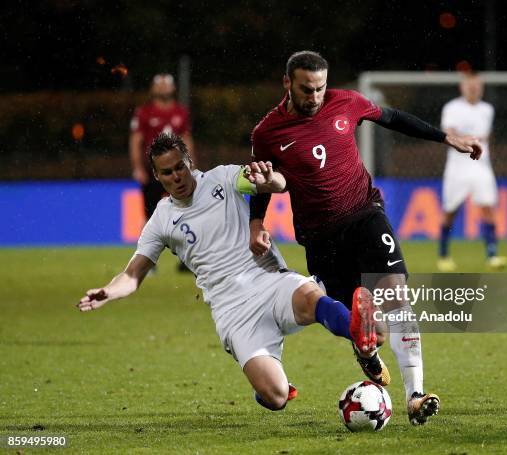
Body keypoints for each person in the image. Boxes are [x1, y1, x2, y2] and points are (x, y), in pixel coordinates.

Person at [248, 51, 482, 425]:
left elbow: (393, 119)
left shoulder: (346, 102)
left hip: (365, 214)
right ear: (287, 83)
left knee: (395, 295)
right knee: (374, 329)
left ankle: (415, 397)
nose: (314, 97)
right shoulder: (268, 133)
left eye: (320, 88)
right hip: (321, 238)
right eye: (307, 89)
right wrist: (256, 221)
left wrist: (445, 138)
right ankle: (367, 349)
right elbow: (263, 180)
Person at [78, 133, 385, 412]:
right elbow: (132, 276)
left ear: (189, 161)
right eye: (168, 172)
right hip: (232, 309)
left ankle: (364, 344)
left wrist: (270, 179)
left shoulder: (223, 178)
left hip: (267, 278)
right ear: (157, 176)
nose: (177, 176)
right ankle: (267, 389)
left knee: (309, 299)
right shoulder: (161, 220)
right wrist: (108, 291)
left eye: (180, 167)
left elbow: (275, 184)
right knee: (276, 397)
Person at [437, 72, 507, 272]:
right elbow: (449, 133)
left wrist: (471, 139)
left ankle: (492, 255)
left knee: (487, 207)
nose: (474, 89)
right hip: (457, 167)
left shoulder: (487, 109)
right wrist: (467, 138)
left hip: (480, 165)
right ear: (462, 88)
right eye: (470, 86)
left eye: (477, 86)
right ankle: (443, 255)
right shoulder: (452, 108)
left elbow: (486, 135)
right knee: (450, 211)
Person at [129, 74, 195, 272]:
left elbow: (187, 138)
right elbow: (136, 141)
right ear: (153, 88)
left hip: (179, 171)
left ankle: (187, 260)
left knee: (187, 213)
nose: (164, 87)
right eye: (160, 84)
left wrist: (191, 165)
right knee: (150, 216)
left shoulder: (181, 112)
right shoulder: (144, 112)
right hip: (153, 172)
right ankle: (148, 262)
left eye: (167, 84)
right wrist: (138, 167)